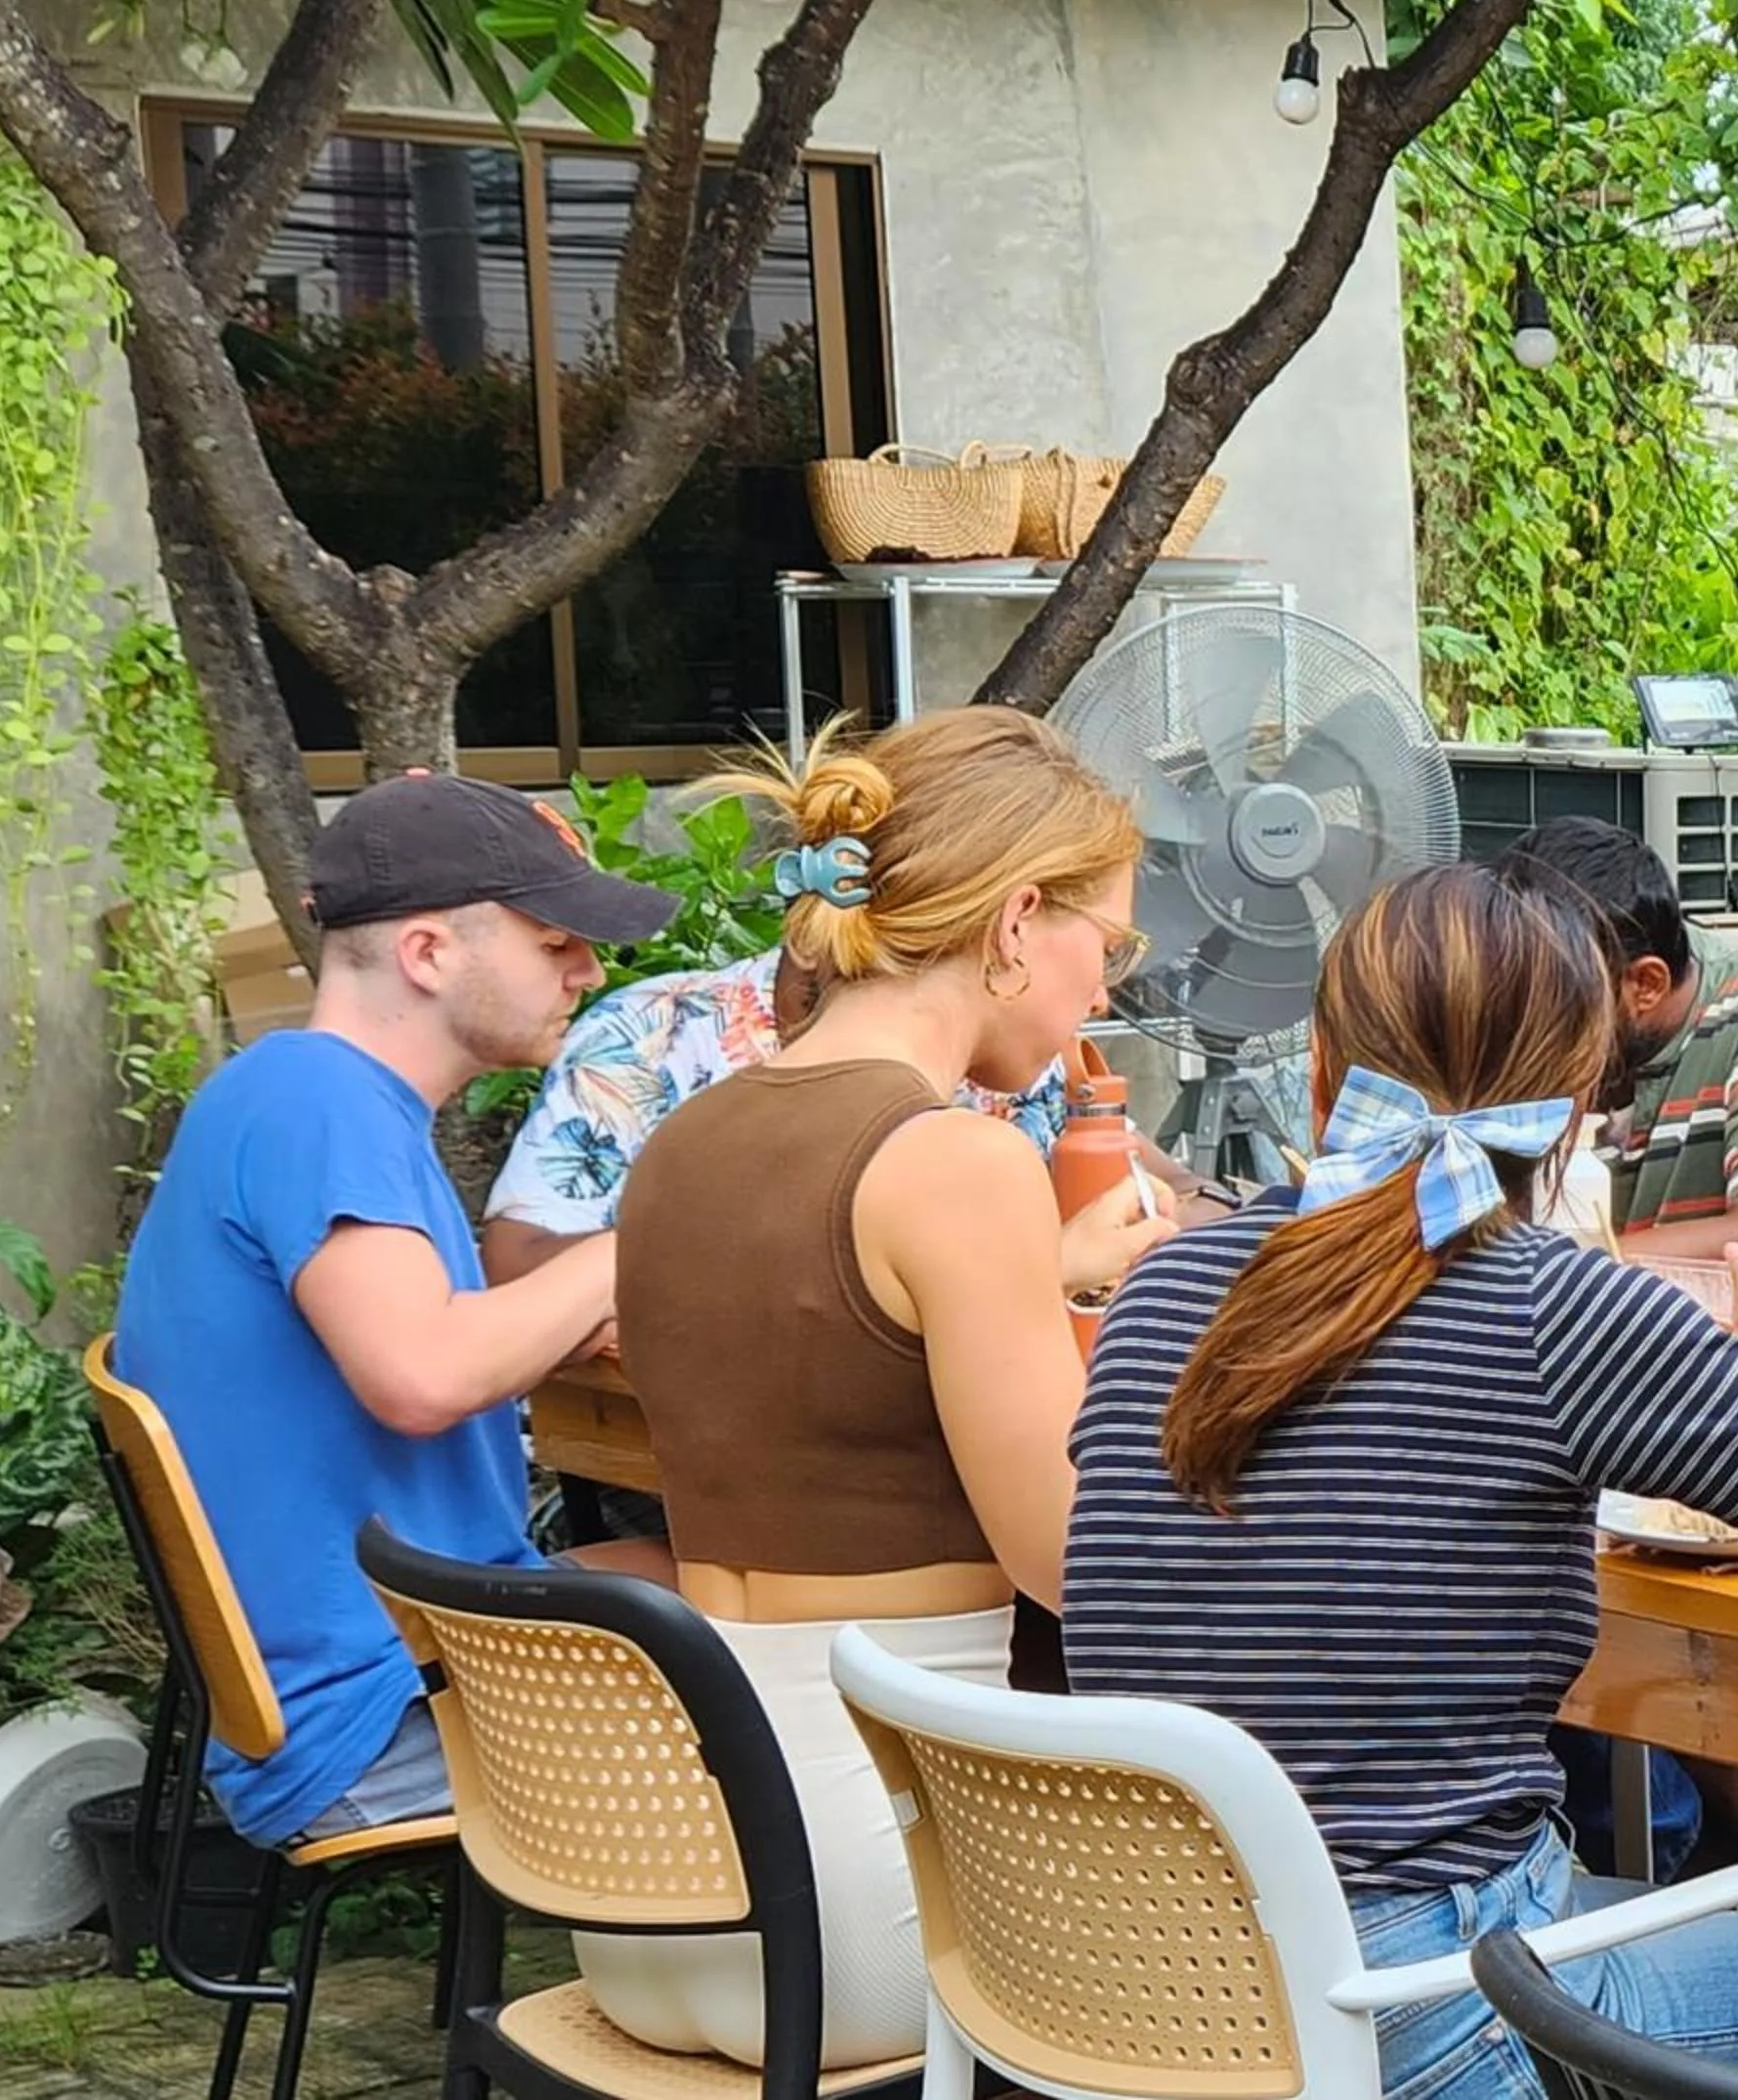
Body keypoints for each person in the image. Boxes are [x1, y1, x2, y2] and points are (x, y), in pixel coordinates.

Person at [1062, 863, 1738, 2100]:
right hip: (1419, 2001)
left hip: (1145, 1981)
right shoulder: (1552, 1306)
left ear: (1324, 1064)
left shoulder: (1160, 1288)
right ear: (1570, 1102)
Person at [584, 708, 1178, 2071]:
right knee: (1313, 1916)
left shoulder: (682, 1139)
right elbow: (1068, 1563)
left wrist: (1054, 1287)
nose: (1105, 992)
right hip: (872, 1893)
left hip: (649, 1883)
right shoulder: (956, 1164)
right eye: (1109, 945)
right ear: (1019, 920)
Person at [110, 772, 675, 1851]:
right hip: (376, 1716)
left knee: (721, 1577)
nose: (591, 972)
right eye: (556, 943)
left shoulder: (300, 1098)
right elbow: (421, 1376)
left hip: (381, 1657)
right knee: (810, 1636)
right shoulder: (317, 1103)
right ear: (428, 955)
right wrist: (626, 1248)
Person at [480, 947, 1223, 1287]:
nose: (1099, 998)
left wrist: (1189, 1207)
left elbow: (1167, 1190)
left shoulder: (1011, 1052)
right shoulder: (658, 1035)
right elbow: (516, 1259)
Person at [1497, 817, 1738, 1252]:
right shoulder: (1522, 1020)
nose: (1526, 1019)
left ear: (1645, 984)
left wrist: (1554, 1278)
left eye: (1554, 997)